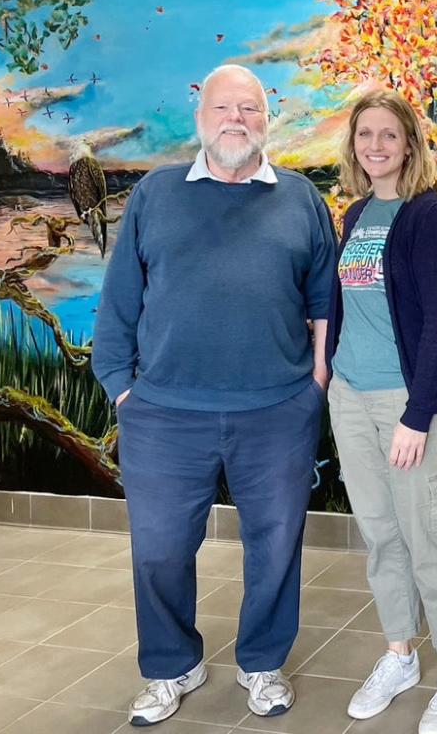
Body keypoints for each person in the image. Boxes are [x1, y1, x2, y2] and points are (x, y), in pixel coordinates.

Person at [92, 64, 336, 727]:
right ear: (201, 115)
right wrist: (122, 391)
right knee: (160, 550)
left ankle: (262, 663)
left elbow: (324, 306)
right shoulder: (155, 194)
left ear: (266, 120)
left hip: (277, 412)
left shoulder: (300, 200)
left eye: (251, 110)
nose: (238, 120)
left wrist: (313, 387)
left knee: (276, 546)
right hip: (164, 417)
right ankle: (173, 664)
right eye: (226, 108)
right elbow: (118, 305)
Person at [323, 89, 437, 734]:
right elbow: (345, 304)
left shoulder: (429, 216)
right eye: (366, 135)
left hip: (417, 402)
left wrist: (417, 415)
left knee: (429, 538)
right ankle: (399, 654)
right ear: (354, 145)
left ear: (410, 144)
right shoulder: (357, 212)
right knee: (382, 535)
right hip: (351, 396)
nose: (376, 146)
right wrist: (328, 366)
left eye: (389, 135)